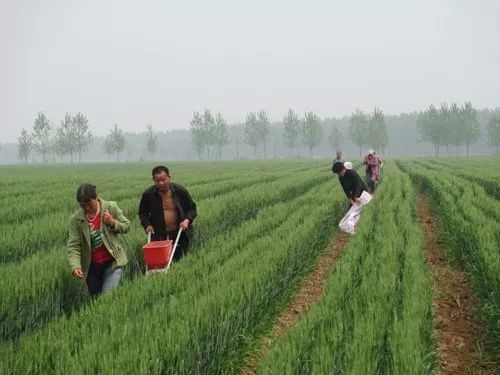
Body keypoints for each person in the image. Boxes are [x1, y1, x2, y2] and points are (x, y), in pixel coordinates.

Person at [68, 183, 130, 296]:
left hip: (112, 262)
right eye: (82, 205)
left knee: (108, 296)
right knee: (94, 297)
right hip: (92, 266)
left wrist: (112, 222)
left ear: (96, 197)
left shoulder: (110, 208)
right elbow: (74, 246)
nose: (86, 207)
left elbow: (126, 226)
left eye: (89, 203)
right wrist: (75, 266)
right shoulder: (76, 220)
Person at [138, 165, 197, 262]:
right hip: (159, 235)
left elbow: (192, 208)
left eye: (163, 179)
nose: (161, 183)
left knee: (180, 260)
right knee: (159, 262)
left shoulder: (180, 191)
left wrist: (187, 221)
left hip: (179, 233)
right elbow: (142, 213)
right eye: (157, 180)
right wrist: (147, 225)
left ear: (169, 178)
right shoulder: (148, 195)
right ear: (153, 180)